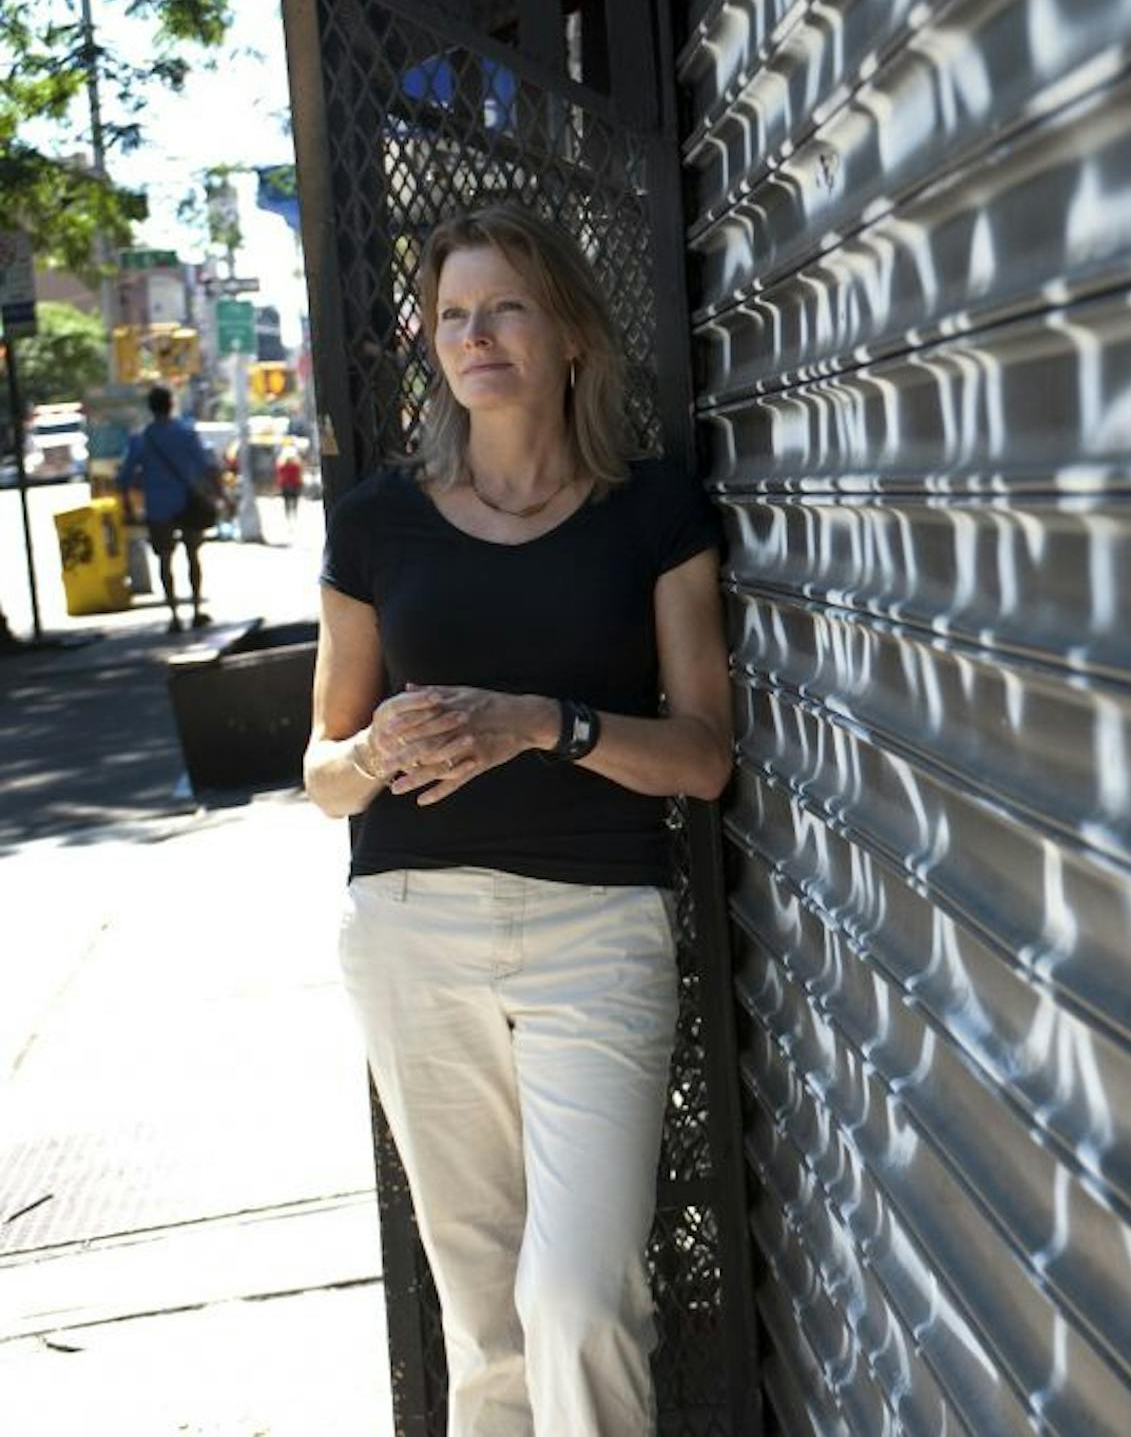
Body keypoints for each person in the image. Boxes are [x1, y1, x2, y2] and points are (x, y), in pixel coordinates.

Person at [302, 201, 733, 1436]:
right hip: (409, 927)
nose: (475, 334)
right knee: (485, 1320)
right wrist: (373, 749)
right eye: (452, 315)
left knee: (579, 1299)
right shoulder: (378, 522)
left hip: (596, 930)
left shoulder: (649, 513)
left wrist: (549, 721)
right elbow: (320, 769)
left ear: (572, 334)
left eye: (505, 307)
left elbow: (704, 755)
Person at [118, 385, 219, 632]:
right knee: (193, 556)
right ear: (171, 404)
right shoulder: (186, 433)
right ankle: (196, 610)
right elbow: (206, 467)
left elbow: (125, 477)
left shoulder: (141, 439)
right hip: (188, 503)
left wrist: (128, 506)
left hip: (158, 507)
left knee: (164, 559)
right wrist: (219, 496)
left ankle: (173, 615)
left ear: (150, 409)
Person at [275, 437, 305, 530]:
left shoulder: (282, 463)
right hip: (294, 484)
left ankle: (289, 520)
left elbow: (279, 474)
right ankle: (293, 518)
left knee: (287, 503)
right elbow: (300, 473)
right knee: (294, 503)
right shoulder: (296, 463)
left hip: (286, 485)